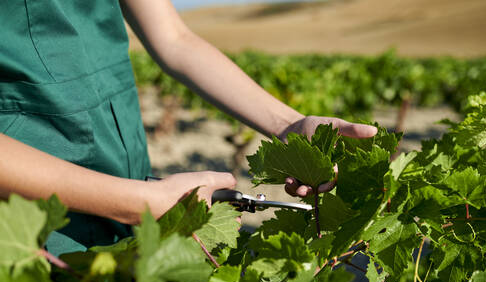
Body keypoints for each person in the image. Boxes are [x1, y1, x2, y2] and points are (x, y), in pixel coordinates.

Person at [0, 0, 377, 256]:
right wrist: (138, 203)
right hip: (24, 211)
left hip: (123, 172)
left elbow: (173, 39)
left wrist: (288, 125)